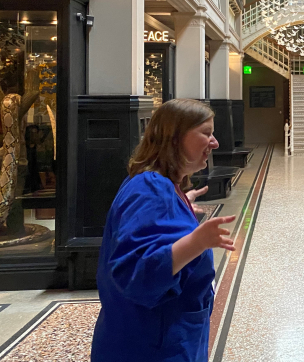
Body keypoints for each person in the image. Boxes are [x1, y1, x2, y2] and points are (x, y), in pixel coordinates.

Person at [91, 99, 236, 362]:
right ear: (175, 137)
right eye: (206, 133)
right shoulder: (150, 188)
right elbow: (138, 275)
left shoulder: (163, 187)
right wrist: (197, 241)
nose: (214, 142)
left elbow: (156, 229)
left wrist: (181, 209)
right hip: (153, 345)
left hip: (169, 336)